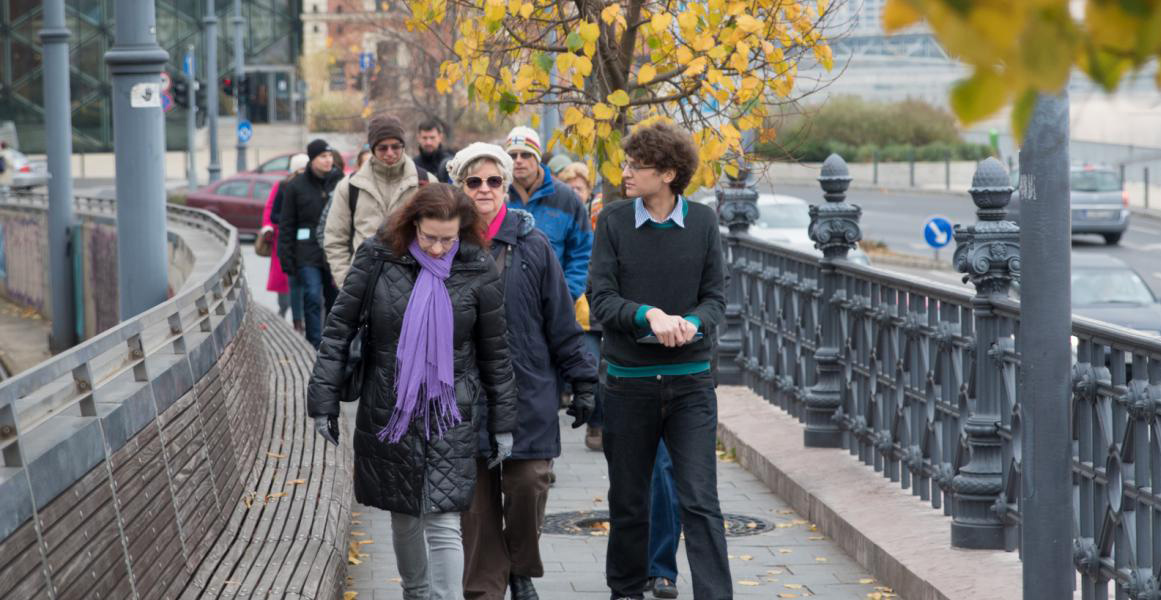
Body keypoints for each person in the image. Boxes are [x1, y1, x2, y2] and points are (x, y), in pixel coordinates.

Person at [307, 183, 518, 600]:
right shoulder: (378, 256)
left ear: (463, 231)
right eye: (429, 237)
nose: (438, 249)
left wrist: (503, 424)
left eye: (448, 239)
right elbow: (338, 330)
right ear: (412, 225)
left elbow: (496, 352)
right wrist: (323, 403)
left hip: (450, 408)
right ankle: (416, 593)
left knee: (443, 518)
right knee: (404, 514)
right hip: (390, 406)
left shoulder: (477, 268)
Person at [447, 143, 598, 600]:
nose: (485, 189)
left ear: (506, 186)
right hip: (465, 394)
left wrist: (583, 380)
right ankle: (485, 590)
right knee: (476, 505)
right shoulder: (443, 244)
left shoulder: (533, 245)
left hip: (528, 388)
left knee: (529, 482)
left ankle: (519, 567)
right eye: (474, 181)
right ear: (461, 188)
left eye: (494, 180)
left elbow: (561, 320)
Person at [588, 122, 731, 600]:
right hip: (628, 384)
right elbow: (601, 298)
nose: (626, 172)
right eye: (626, 163)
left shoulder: (704, 223)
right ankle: (625, 591)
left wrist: (694, 323)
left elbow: (715, 298)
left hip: (691, 385)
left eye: (637, 166)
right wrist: (648, 315)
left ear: (668, 174)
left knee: (701, 501)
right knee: (629, 501)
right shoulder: (613, 221)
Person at [325, 114, 435, 285]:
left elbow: (442, 236)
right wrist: (347, 282)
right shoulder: (350, 186)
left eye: (395, 146)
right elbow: (335, 238)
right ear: (372, 149)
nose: (390, 153)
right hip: (364, 283)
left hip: (414, 283)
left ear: (403, 146)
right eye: (383, 148)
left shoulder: (426, 182)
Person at [504, 126, 593, 302]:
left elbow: (582, 251)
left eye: (525, 154)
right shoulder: (497, 194)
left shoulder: (566, 198)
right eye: (513, 156)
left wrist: (567, 294)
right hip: (506, 303)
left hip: (554, 302)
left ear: (537, 157)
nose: (518, 160)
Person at [558, 161, 606, 450]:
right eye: (569, 188)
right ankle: (596, 424)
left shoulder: (602, 215)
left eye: (579, 188)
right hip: (580, 312)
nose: (575, 193)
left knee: (606, 372)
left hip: (605, 307)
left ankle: (600, 423)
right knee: (591, 367)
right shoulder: (566, 220)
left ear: (588, 190)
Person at [278, 138, 343, 348]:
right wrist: (286, 258)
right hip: (307, 252)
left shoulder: (340, 183)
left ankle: (331, 345)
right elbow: (287, 224)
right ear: (312, 159)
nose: (328, 160)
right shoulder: (296, 186)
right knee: (312, 295)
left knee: (335, 300)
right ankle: (313, 344)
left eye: (330, 156)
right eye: (323, 156)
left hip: (334, 251)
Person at [262, 153, 308, 331]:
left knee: (305, 282)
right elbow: (271, 210)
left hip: (305, 242)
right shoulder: (282, 186)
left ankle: (300, 318)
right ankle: (284, 312)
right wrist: (270, 226)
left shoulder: (313, 185)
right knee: (285, 280)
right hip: (284, 239)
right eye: (301, 169)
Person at [414, 119, 455, 183]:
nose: (428, 142)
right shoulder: (413, 165)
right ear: (418, 138)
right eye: (424, 138)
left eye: (432, 138)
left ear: (440, 137)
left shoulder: (450, 164)